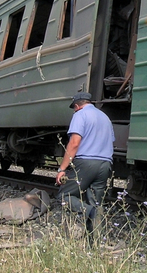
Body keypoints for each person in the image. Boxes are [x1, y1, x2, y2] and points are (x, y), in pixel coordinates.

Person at [56, 92, 115, 232]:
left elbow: (74, 143)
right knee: (96, 202)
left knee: (64, 196)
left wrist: (62, 169)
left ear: (77, 106)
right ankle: (93, 243)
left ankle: (88, 211)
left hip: (86, 162)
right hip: (105, 164)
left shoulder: (80, 115)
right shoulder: (105, 117)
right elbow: (111, 141)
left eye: (74, 108)